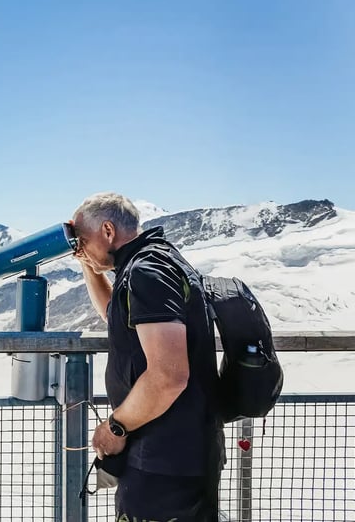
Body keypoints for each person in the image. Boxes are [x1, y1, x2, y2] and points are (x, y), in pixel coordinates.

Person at [71, 192, 224, 522]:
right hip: (174, 456)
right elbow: (115, 314)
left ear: (108, 231)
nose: (80, 247)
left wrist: (115, 428)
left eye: (82, 240)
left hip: (164, 463)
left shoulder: (147, 272)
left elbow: (168, 376)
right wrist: (88, 265)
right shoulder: (152, 262)